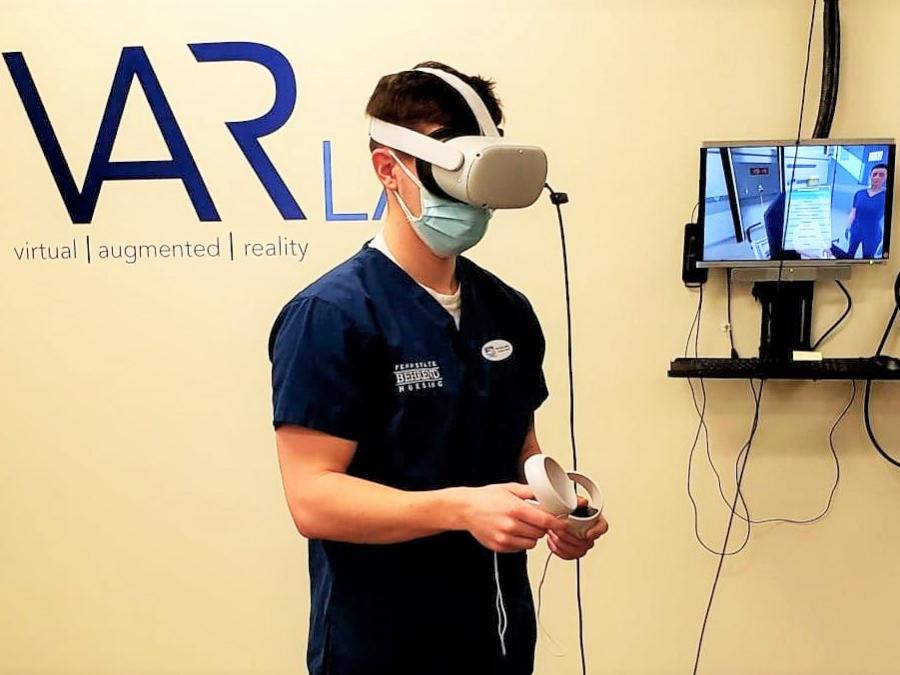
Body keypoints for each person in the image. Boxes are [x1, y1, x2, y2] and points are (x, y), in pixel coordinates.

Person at [268, 62, 608, 675]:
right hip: (381, 644)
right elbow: (312, 499)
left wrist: (557, 506)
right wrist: (461, 509)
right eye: (449, 168)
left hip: (496, 637)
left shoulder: (506, 310)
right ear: (387, 169)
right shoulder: (332, 316)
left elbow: (520, 445)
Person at [841, 163, 888, 259]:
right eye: (874, 174)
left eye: (881, 175)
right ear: (870, 176)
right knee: (850, 254)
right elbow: (854, 211)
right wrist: (848, 226)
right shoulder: (859, 193)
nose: (877, 177)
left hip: (872, 233)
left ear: (886, 177)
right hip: (856, 229)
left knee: (867, 258)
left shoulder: (886, 196)